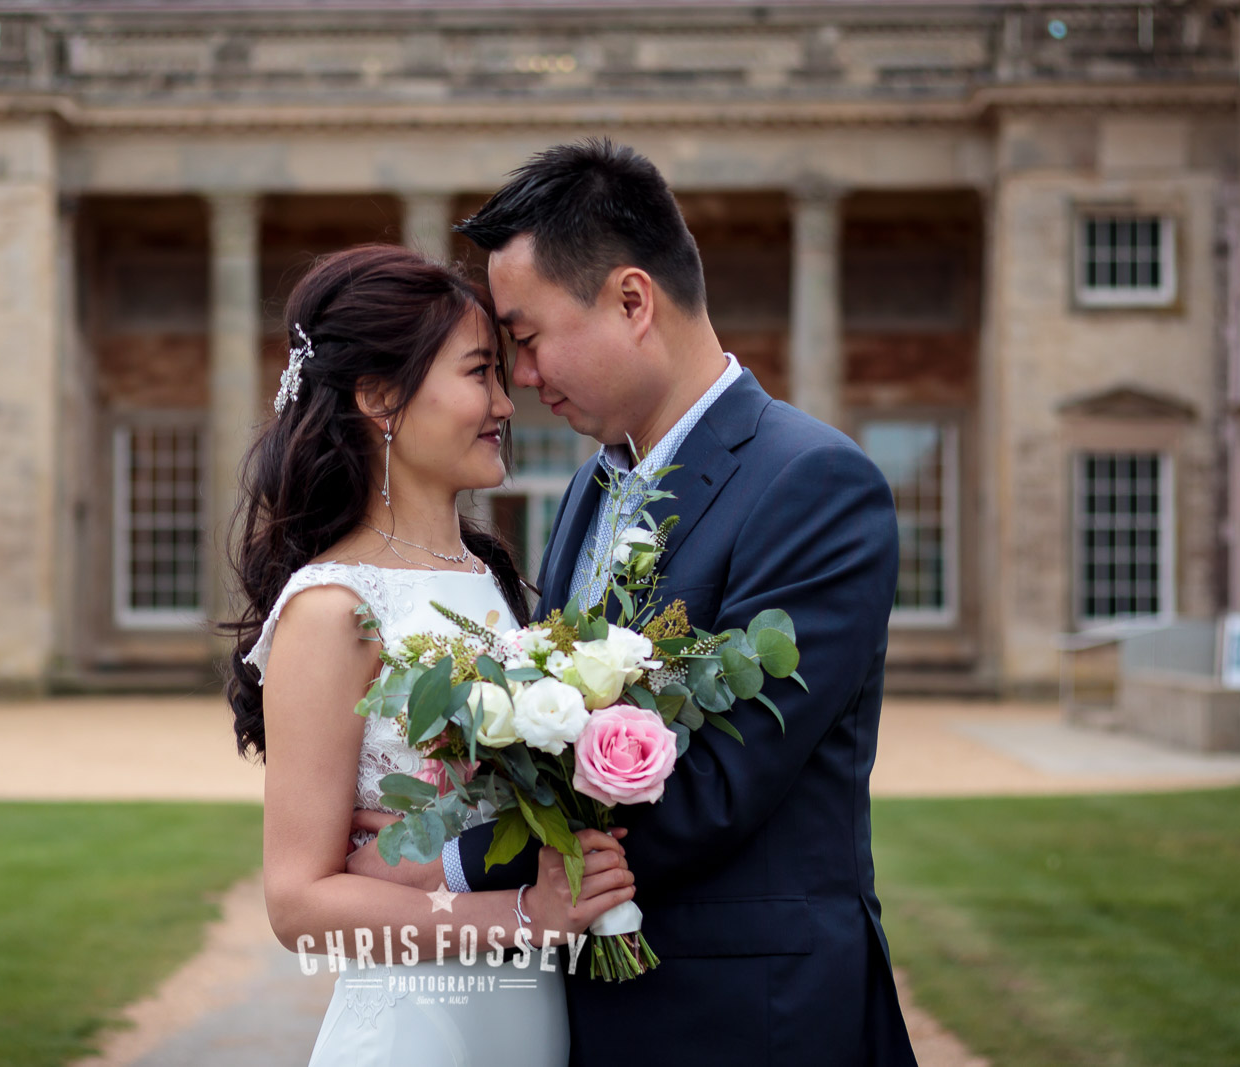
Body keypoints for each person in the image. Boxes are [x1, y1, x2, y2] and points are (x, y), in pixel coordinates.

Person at [347, 141, 920, 1066]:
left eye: (526, 339)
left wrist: (445, 859)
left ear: (631, 299)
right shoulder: (587, 493)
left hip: (753, 1017)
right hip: (594, 1010)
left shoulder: (814, 483)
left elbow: (712, 786)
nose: (521, 380)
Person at [224, 244, 636, 1066]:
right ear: (380, 397)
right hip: (420, 1026)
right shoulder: (334, 607)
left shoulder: (495, 581)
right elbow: (298, 902)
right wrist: (524, 914)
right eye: (480, 372)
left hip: (531, 1015)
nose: (504, 402)